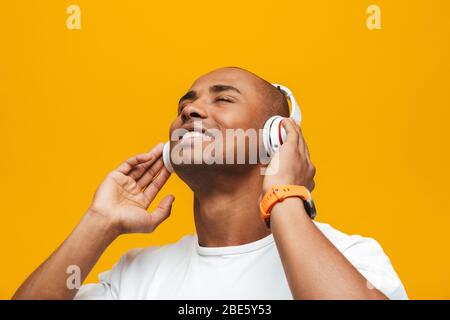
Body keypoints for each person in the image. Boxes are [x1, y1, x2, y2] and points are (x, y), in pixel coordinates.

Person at [13, 67, 408, 300]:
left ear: (276, 137)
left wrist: (286, 197)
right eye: (186, 104)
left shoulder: (350, 256)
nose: (190, 110)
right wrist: (99, 222)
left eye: (223, 99)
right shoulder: (135, 275)